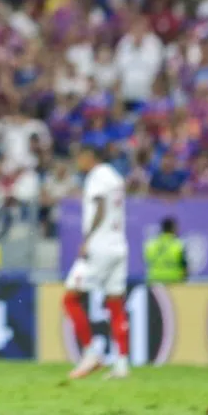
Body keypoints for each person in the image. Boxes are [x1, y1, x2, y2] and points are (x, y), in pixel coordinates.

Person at [63, 146, 130, 380]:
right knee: (115, 303)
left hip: (100, 247)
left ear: (89, 156)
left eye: (79, 157)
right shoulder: (115, 176)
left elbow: (100, 206)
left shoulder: (97, 177)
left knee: (70, 298)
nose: (78, 162)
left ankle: (91, 354)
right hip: (119, 245)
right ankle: (121, 365)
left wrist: (87, 239)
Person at [143, 217, 187, 283]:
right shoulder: (178, 245)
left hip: (154, 282)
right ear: (173, 228)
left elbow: (147, 261)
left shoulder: (151, 244)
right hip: (174, 282)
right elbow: (184, 267)